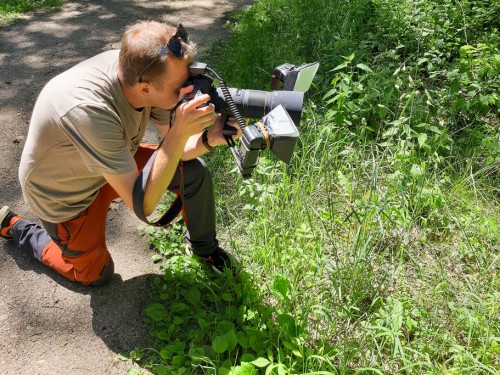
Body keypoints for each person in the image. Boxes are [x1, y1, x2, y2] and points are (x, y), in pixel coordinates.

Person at [0, 20, 241, 286]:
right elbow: (143, 205)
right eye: (180, 87)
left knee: (192, 173)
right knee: (97, 276)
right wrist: (178, 133)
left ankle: (203, 249)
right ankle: (19, 228)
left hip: (108, 164)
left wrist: (209, 138)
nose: (188, 91)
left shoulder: (144, 70)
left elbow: (180, 153)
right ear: (145, 88)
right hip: (65, 197)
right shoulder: (88, 108)